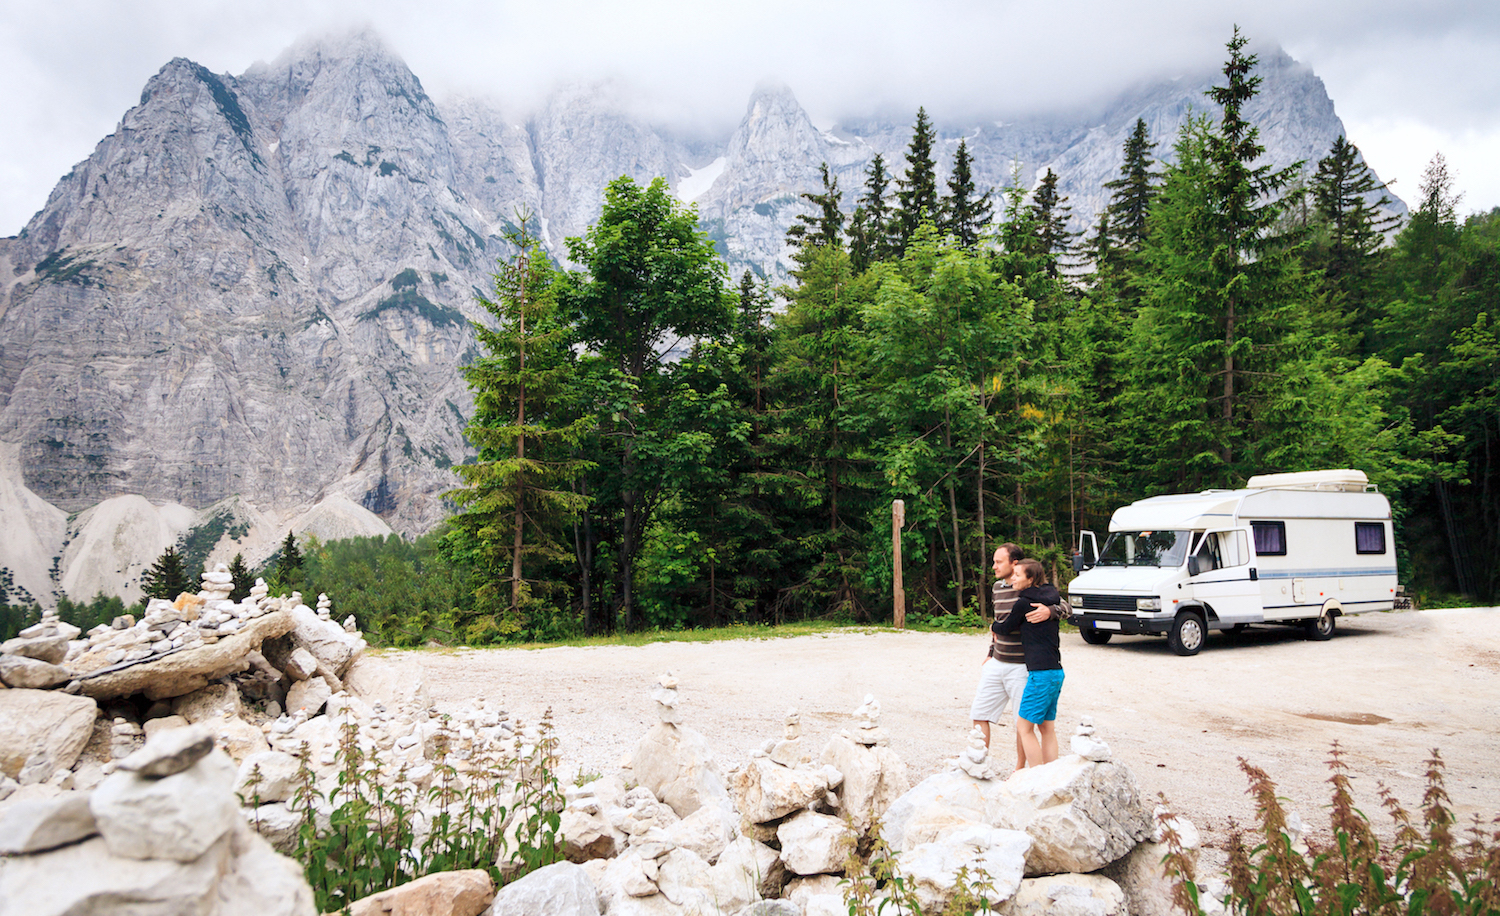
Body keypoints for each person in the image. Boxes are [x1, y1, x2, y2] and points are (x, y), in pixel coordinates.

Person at [969, 543, 1055, 770]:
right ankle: (979, 765)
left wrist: (1050, 611)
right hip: (997, 662)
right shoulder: (997, 588)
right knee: (979, 713)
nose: (994, 566)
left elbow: (1064, 606)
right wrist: (990, 652)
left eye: (999, 562)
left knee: (1022, 724)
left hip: (1022, 667)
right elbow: (998, 625)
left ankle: (1019, 769)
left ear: (1014, 564)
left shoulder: (1028, 585)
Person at [995, 558, 1064, 768]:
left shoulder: (1024, 602)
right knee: (1046, 728)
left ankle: (1035, 776)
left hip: (1040, 674)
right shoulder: (1051, 599)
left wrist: (993, 626)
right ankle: (1051, 774)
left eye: (1017, 575)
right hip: (1056, 672)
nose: (1012, 579)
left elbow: (1006, 627)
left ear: (1030, 578)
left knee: (1024, 728)